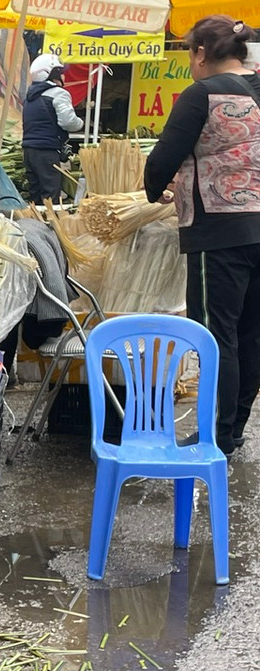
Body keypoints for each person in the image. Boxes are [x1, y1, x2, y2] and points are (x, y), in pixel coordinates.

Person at [144, 16, 260, 457]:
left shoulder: (203, 94)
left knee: (217, 335)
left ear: (199, 53)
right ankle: (233, 430)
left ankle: (215, 434)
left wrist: (155, 189)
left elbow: (163, 158)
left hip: (220, 232)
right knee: (251, 335)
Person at [21, 53, 83, 203]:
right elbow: (68, 122)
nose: (64, 77)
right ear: (52, 74)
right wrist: (80, 122)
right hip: (47, 151)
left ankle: (33, 224)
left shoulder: (30, 96)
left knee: (35, 193)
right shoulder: (58, 93)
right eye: (61, 73)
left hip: (29, 151)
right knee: (50, 193)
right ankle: (50, 224)